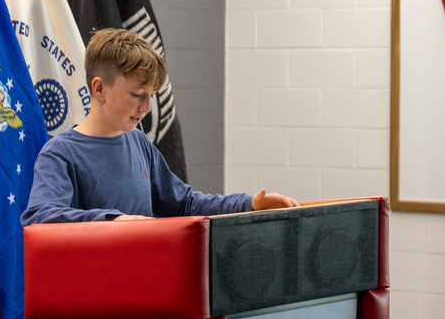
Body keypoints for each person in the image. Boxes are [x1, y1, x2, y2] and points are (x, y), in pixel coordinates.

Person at [20, 28, 298, 226]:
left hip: (145, 292)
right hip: (95, 300)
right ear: (100, 88)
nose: (147, 108)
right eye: (137, 94)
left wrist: (249, 205)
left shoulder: (139, 143)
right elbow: (40, 216)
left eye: (151, 96)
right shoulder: (60, 154)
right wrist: (114, 220)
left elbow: (184, 204)